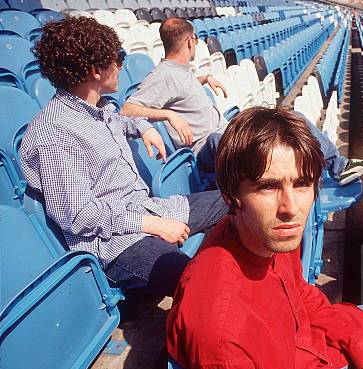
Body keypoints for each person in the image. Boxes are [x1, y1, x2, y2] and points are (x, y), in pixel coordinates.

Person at [166, 107, 363, 369]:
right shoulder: (219, 327)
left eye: (302, 183)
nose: (290, 208)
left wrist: (356, 342)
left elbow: (299, 293)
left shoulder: (268, 235)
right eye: (268, 186)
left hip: (315, 353)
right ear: (231, 196)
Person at [20, 17, 228, 297]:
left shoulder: (99, 108)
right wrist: (153, 224)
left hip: (148, 209)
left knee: (239, 202)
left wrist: (142, 127)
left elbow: (121, 120)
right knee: (198, 282)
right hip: (119, 242)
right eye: (116, 59)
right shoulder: (53, 134)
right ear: (95, 70)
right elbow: (80, 216)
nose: (121, 67)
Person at [121, 17, 363, 185]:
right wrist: (169, 115)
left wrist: (202, 78)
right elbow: (127, 109)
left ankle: (337, 166)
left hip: (222, 132)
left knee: (288, 118)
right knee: (264, 136)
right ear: (191, 41)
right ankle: (303, 176)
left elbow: (177, 88)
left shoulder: (177, 72)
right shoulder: (164, 76)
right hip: (206, 147)